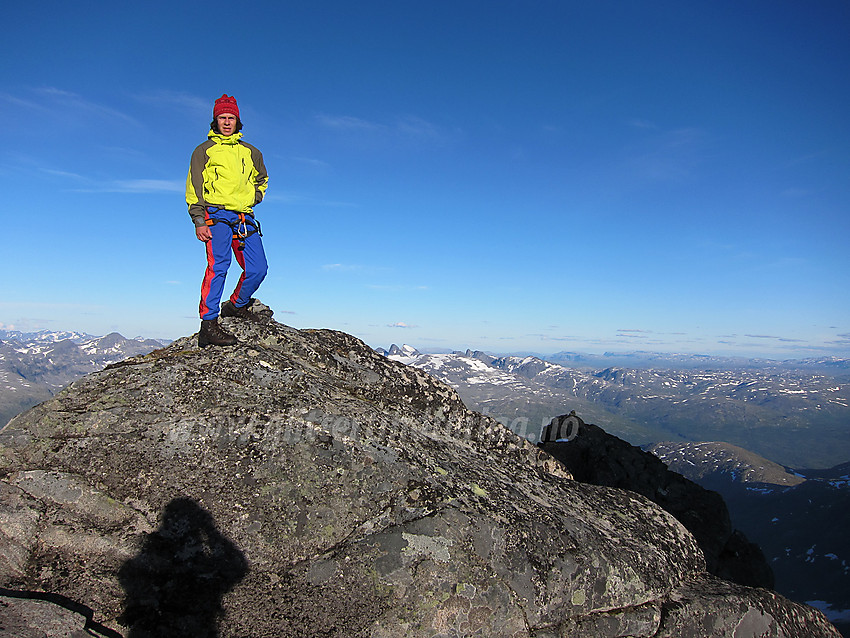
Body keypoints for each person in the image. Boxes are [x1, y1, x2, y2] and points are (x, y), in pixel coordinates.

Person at [186, 94, 269, 347]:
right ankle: (208, 325)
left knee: (258, 268)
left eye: (231, 118)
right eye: (222, 117)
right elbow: (195, 187)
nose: (226, 122)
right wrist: (199, 219)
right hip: (216, 215)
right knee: (219, 266)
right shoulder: (204, 151)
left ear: (237, 121)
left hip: (244, 217)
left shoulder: (251, 152)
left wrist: (254, 196)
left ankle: (236, 305)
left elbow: (262, 179)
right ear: (215, 120)